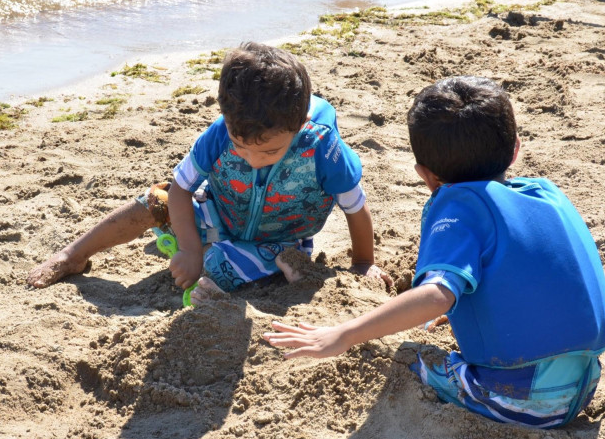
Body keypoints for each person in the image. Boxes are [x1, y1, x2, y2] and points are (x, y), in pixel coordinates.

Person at [264, 76, 605, 429]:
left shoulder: (458, 206)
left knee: (408, 356)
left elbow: (435, 297)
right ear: (516, 150)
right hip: (586, 385)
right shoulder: (545, 193)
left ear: (426, 177)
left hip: (521, 403)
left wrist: (343, 334)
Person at [27, 42, 391, 301]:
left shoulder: (321, 148)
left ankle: (278, 262)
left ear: (299, 125)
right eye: (240, 144)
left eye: (268, 151)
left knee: (212, 274)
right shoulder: (219, 134)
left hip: (278, 237)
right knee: (156, 201)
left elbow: (355, 208)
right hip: (218, 212)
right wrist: (188, 250)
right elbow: (181, 190)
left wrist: (363, 264)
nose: (251, 158)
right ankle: (73, 254)